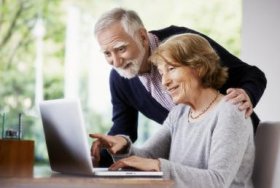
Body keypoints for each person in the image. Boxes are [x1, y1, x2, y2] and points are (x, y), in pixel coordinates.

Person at [93, 8, 266, 166]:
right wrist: (96, 157)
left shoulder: (183, 43)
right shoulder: (120, 78)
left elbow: (252, 74)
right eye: (107, 53)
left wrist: (247, 93)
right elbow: (124, 130)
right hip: (193, 162)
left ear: (143, 37)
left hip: (238, 148)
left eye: (121, 49)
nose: (115, 62)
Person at [90, 33, 255, 188]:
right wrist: (124, 146)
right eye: (162, 73)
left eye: (171, 69)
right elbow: (148, 156)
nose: (165, 82)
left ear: (198, 66)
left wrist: (158, 166)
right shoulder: (180, 113)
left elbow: (218, 181)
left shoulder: (231, 111)